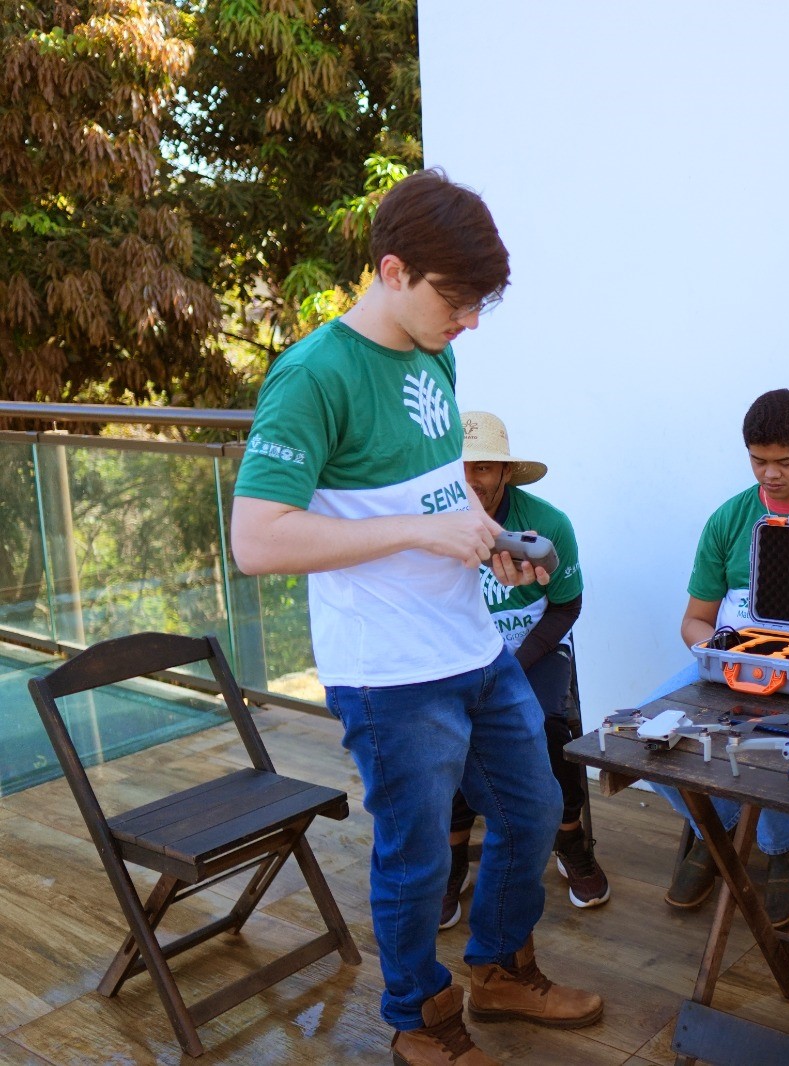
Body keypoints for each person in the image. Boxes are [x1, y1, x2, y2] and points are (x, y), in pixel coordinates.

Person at [230, 169, 602, 1066]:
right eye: (456, 299)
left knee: (535, 808)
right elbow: (257, 540)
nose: (468, 320)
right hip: (390, 675)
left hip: (473, 648)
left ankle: (500, 969)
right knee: (418, 857)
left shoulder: (435, 352)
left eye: (479, 304)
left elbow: (439, 490)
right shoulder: (311, 377)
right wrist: (420, 533)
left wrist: (489, 537)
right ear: (392, 270)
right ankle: (417, 1019)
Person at [647, 388, 789, 929]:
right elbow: (695, 620)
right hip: (730, 667)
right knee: (646, 732)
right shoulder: (728, 518)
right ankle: (716, 830)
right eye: (758, 460)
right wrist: (720, 654)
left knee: (785, 740)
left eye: (784, 461)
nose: (770, 474)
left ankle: (784, 847)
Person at [438, 409, 609, 925]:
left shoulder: (548, 524)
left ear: (506, 472)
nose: (471, 478)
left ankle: (570, 838)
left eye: (483, 467)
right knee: (447, 727)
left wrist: (512, 664)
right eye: (460, 466)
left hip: (531, 647)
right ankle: (452, 855)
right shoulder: (432, 522)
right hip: (458, 650)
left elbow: (567, 606)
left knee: (548, 722)